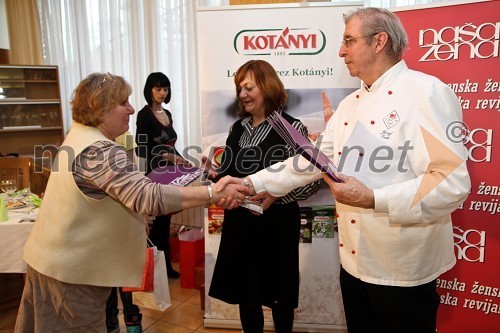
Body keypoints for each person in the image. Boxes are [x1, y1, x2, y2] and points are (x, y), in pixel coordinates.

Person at [218, 8, 471, 333]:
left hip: (401, 270)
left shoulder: (427, 93)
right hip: (353, 264)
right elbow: (310, 160)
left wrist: (375, 199)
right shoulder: (351, 104)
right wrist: (249, 182)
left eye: (349, 41)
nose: (341, 50)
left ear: (379, 41)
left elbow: (450, 181)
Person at [14, 72, 247, 332]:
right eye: (123, 102)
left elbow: (117, 195)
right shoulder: (99, 150)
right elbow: (146, 196)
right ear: (100, 108)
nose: (131, 109)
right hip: (69, 276)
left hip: (56, 266)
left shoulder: (80, 136)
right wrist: (212, 194)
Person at [208, 60, 321, 333]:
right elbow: (229, 171)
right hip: (240, 223)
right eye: (239, 88)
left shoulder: (292, 128)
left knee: (280, 293)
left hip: (277, 224)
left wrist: (276, 192)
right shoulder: (237, 129)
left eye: (249, 87)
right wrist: (216, 177)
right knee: (247, 294)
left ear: (267, 87)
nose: (243, 94)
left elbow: (312, 180)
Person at [135, 72, 187, 278]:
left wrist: (181, 159)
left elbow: (170, 146)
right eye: (158, 89)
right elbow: (142, 149)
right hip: (156, 173)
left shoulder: (168, 113)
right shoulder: (143, 114)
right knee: (158, 224)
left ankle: (163, 268)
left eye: (165, 89)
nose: (162, 93)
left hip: (170, 172)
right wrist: (167, 156)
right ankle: (155, 270)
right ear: (149, 89)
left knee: (165, 223)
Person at [106, 131, 143, 333]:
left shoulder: (125, 136)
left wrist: (141, 215)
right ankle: (111, 325)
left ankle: (133, 324)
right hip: (102, 223)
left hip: (126, 215)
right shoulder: (87, 138)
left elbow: (133, 173)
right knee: (107, 280)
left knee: (128, 278)